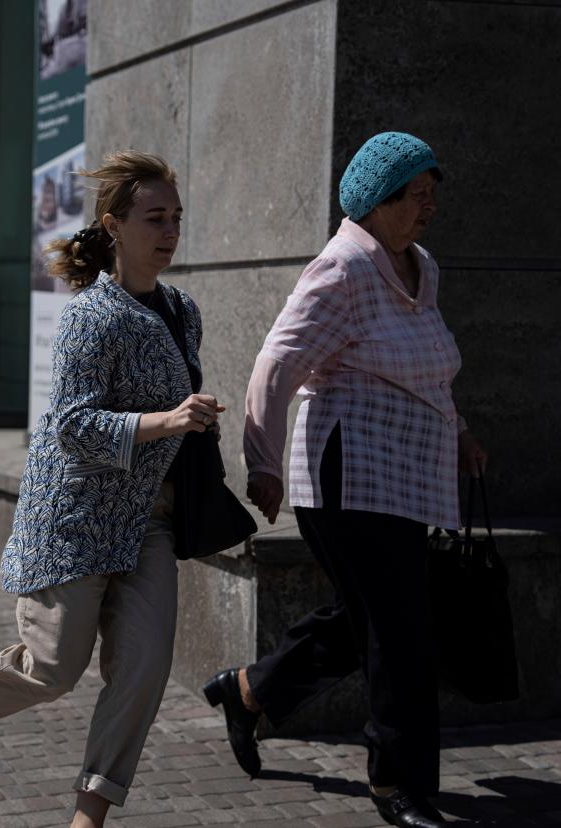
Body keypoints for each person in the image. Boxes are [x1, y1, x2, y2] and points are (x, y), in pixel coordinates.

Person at [0, 151, 224, 828]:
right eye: (154, 218)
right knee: (53, 671)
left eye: (176, 218)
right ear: (115, 224)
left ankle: (87, 820)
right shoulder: (90, 316)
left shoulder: (183, 310)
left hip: (150, 523)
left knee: (143, 671)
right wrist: (164, 421)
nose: (169, 231)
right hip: (74, 520)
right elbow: (72, 425)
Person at [202, 132, 487, 828]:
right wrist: (262, 462)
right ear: (376, 202)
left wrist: (459, 435)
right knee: (401, 632)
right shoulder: (343, 269)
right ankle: (400, 788)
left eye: (431, 195)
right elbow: (277, 364)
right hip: (349, 476)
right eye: (416, 196)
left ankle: (248, 692)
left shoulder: (421, 268)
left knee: (375, 622)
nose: (429, 208)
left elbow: (429, 369)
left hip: (407, 476)